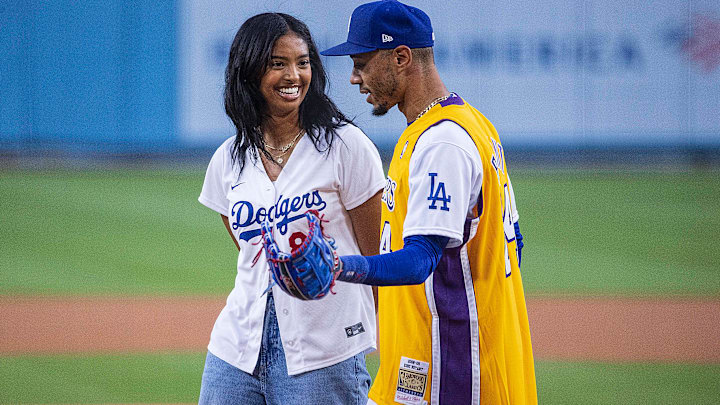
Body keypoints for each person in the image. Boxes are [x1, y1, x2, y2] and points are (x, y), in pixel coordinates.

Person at [319, 1, 537, 404]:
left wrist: (339, 268)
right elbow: (514, 243)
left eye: (362, 62)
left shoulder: (443, 143)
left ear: (401, 57)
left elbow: (421, 260)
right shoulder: (464, 123)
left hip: (449, 372)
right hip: (427, 361)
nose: (354, 78)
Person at [197, 12, 385, 405]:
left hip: (325, 352)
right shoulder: (228, 159)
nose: (293, 75)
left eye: (302, 63)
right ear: (248, 71)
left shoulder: (345, 147)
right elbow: (253, 256)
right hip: (236, 351)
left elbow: (377, 258)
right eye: (277, 63)